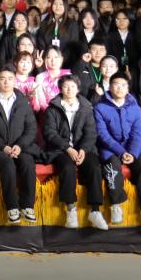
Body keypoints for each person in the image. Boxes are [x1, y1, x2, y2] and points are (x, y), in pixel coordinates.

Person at [94, 73, 141, 227]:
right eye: (116, 84)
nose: (119, 88)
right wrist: (121, 152)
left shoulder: (135, 107)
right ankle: (116, 205)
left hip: (132, 147)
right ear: (109, 87)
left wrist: (132, 153)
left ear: (128, 88)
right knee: (112, 166)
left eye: (123, 85)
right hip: (110, 148)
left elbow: (138, 133)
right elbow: (102, 134)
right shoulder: (100, 107)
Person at [0, 66, 41, 224]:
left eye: (10, 78)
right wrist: (3, 147)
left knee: (27, 162)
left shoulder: (23, 103)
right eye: (2, 78)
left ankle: (28, 206)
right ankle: (12, 207)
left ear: (15, 81)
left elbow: (31, 128)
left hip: (21, 147)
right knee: (7, 164)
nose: (6, 82)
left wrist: (20, 145)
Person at [45, 74, 108, 230]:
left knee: (94, 167)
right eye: (66, 86)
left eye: (73, 86)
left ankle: (95, 210)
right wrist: (68, 148)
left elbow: (91, 133)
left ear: (78, 89)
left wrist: (83, 150)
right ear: (60, 89)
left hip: (83, 149)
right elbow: (50, 133)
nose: (69, 89)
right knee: (67, 168)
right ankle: (71, 209)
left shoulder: (86, 108)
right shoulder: (52, 108)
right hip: (60, 150)